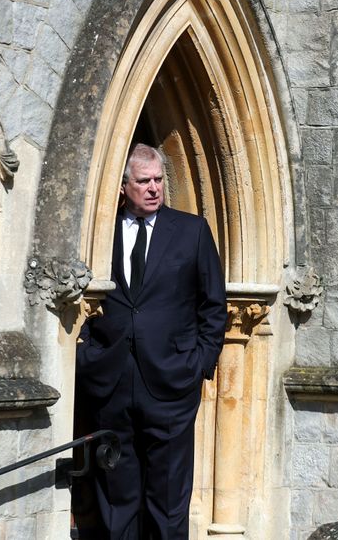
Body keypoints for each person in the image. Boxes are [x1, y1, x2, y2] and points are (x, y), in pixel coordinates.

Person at [75, 143, 227, 539]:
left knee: (168, 504)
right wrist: (86, 357)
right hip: (110, 386)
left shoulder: (192, 231)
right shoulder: (98, 232)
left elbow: (214, 307)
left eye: (159, 179)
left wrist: (199, 365)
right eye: (144, 181)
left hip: (172, 387)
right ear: (123, 186)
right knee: (116, 503)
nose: (154, 188)